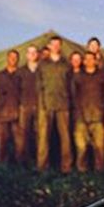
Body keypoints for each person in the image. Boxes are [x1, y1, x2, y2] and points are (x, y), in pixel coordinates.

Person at [36, 35, 73, 173]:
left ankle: (66, 166)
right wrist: (42, 104)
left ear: (61, 46)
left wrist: (69, 103)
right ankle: (42, 166)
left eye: (58, 44)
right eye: (53, 44)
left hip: (63, 105)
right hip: (46, 105)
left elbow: (71, 86)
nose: (56, 46)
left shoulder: (66, 64)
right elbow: (38, 86)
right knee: (43, 137)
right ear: (50, 46)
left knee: (65, 137)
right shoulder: (43, 64)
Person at [71, 51, 104, 171]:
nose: (89, 61)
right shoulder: (78, 77)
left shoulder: (102, 76)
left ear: (96, 61)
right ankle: (82, 169)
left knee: (99, 145)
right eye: (86, 59)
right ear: (83, 61)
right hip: (81, 116)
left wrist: (102, 108)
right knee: (81, 146)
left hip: (97, 115)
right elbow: (73, 95)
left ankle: (100, 169)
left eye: (91, 59)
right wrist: (78, 110)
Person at [0, 49, 21, 163]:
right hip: (3, 110)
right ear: (7, 58)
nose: (13, 59)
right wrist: (3, 97)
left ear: (18, 59)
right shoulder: (0, 75)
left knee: (19, 138)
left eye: (15, 57)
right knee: (2, 137)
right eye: (11, 57)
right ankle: (2, 159)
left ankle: (19, 160)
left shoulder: (20, 74)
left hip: (17, 109)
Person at [16, 45, 40, 163]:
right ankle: (22, 159)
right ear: (26, 55)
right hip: (24, 106)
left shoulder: (42, 70)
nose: (33, 54)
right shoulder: (20, 71)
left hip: (39, 106)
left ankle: (36, 158)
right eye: (30, 52)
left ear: (38, 54)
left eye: (35, 52)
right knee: (23, 133)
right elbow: (15, 89)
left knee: (38, 133)